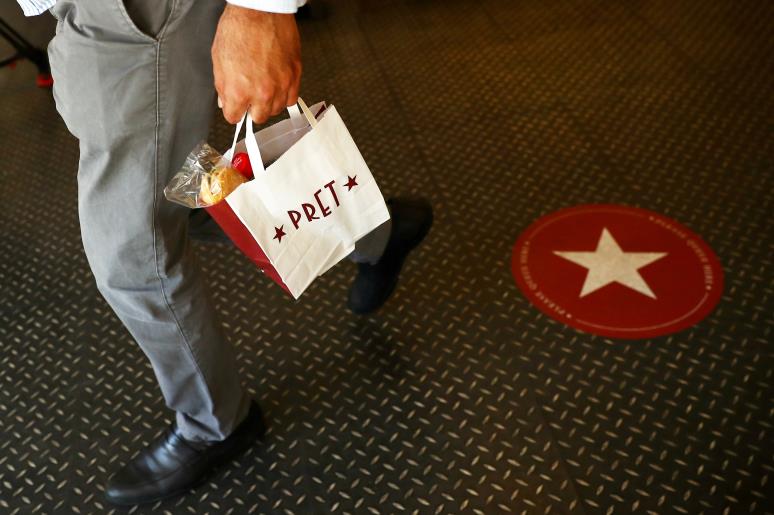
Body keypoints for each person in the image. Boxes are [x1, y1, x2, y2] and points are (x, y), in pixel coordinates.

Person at [16, 0, 432, 506]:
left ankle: (217, 424)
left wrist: (261, 7)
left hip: (135, 12)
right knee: (184, 196)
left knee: (132, 256)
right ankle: (377, 232)